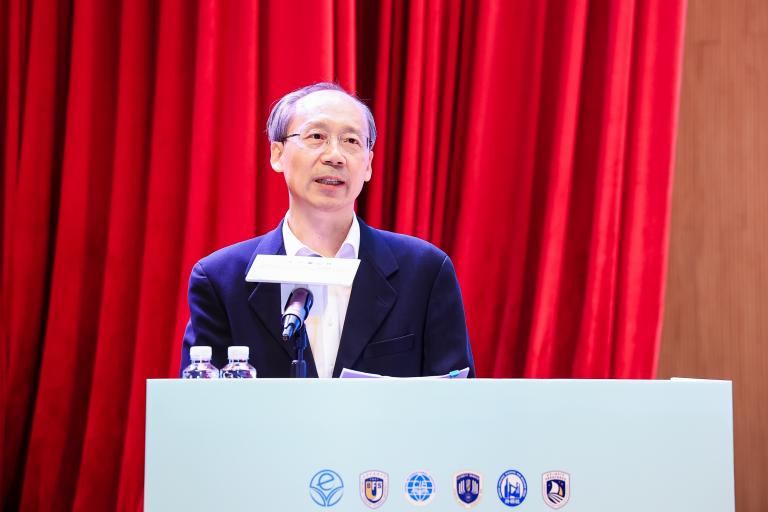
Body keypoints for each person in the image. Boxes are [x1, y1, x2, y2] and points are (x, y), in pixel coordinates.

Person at [180, 82, 475, 377]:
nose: (335, 156)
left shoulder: (424, 272)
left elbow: (456, 397)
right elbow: (200, 400)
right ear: (277, 154)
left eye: (351, 141)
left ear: (368, 164)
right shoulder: (221, 280)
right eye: (317, 137)